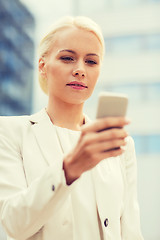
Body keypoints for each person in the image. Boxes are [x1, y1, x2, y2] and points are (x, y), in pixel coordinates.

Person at [0, 16, 144, 240]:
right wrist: (69, 168)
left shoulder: (121, 146)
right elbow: (12, 224)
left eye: (91, 61)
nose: (80, 70)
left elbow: (131, 231)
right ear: (43, 66)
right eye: (67, 58)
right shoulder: (9, 132)